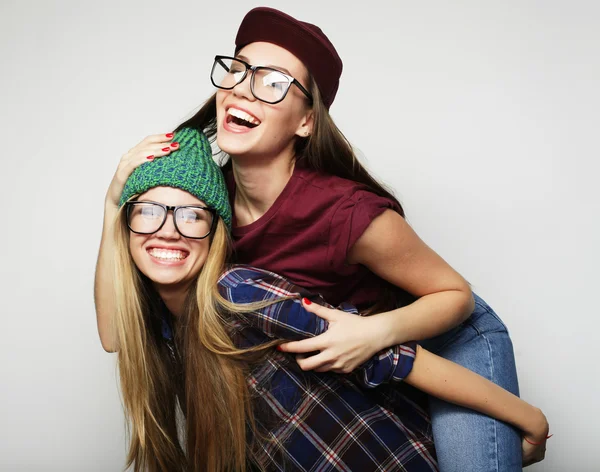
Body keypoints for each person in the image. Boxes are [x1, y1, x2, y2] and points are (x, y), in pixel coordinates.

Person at [99, 127, 549, 471]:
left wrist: (527, 419)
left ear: (215, 233)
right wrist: (110, 202)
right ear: (128, 223)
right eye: (148, 211)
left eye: (193, 215)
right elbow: (114, 334)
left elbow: (397, 357)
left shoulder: (239, 293)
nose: (169, 230)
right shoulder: (169, 323)